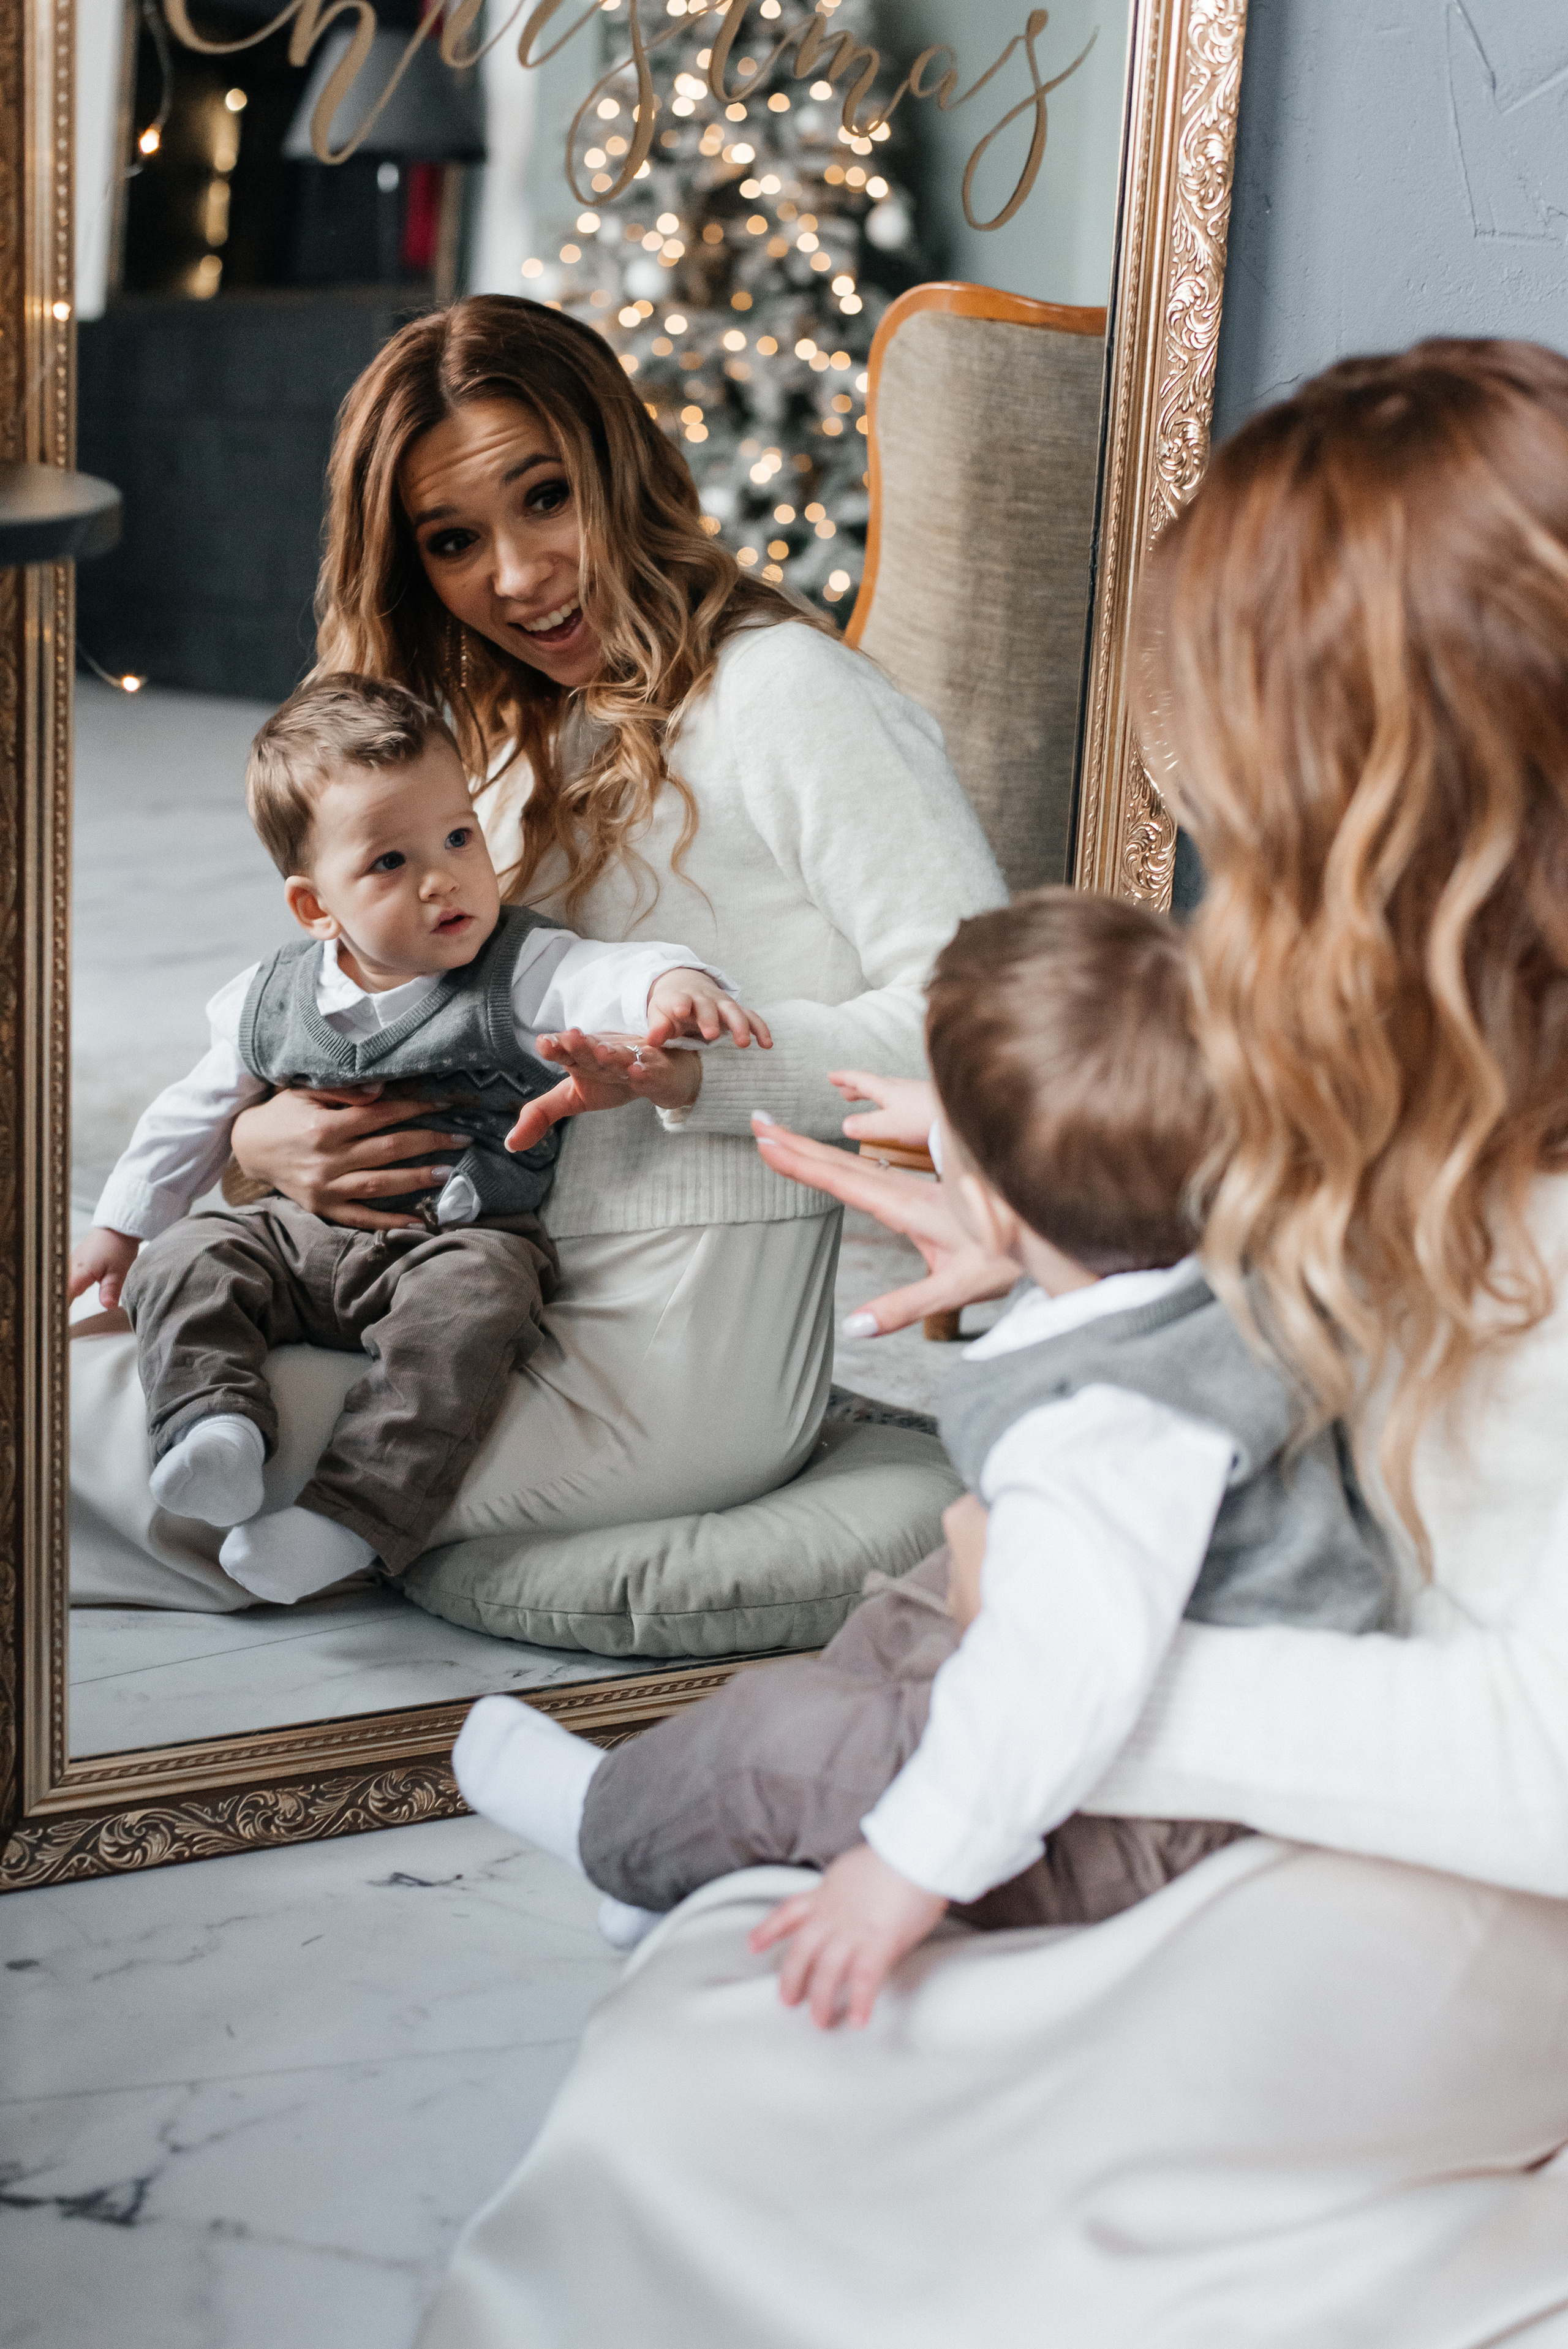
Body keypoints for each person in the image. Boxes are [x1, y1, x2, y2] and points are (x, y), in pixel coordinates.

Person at [417, 342, 1568, 2348]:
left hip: (1471, 1858)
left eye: (1224, 723)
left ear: (1387, 771)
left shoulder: (787, 706)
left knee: (770, 2114)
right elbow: (1322, 1392)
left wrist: (1067, 1665)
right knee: (720, 2043)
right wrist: (1071, 1290)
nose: (1181, 783)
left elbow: (1529, 1752)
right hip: (1306, 1737)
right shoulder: (1395, 1061)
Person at [70, 297, 1004, 1607]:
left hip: (658, 1368)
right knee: (102, 1336)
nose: (514, 575)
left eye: (546, 498)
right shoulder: (489, 750)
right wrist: (256, 1144)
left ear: (623, 469)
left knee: (58, 1427)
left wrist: (698, 1074)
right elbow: (353, 1008)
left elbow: (988, 1041)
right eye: (454, 540)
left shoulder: (790, 699)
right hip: (441, 1317)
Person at [452, 888, 1392, 2014]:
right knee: (911, 1607)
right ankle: (700, 1865)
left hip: (1150, 1809)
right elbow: (1082, 1151)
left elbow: (1058, 1681)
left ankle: (618, 1819)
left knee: (778, 1740)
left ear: (988, 1209)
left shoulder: (1104, 1425)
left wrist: (910, 1869)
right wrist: (959, 1131)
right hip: (1159, 1682)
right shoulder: (1215, 1254)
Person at [69, 673, 766, 1603]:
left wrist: (669, 985)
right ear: (317, 907)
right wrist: (120, 1229)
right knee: (187, 1257)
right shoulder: (266, 997)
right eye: (390, 863)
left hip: (452, 1242)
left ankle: (349, 1519)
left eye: (458, 837)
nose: (444, 878)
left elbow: (606, 973)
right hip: (293, 1241)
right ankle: (213, 1430)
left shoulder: (516, 967)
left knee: (480, 1303)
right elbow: (189, 1115)